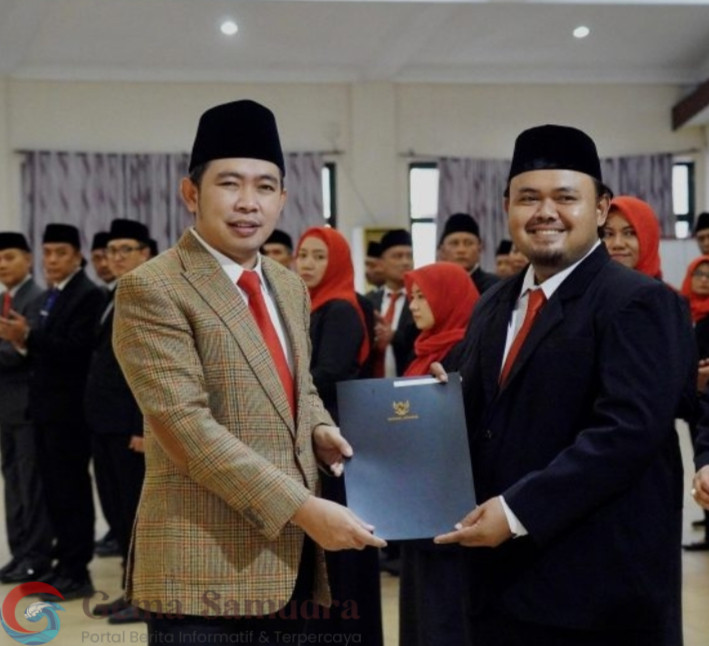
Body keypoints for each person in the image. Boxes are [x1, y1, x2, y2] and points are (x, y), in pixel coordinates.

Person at [111, 99, 385, 646]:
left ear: (282, 198)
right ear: (191, 193)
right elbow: (186, 428)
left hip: (290, 564)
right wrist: (302, 508)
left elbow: (299, 385)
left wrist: (317, 426)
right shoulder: (153, 287)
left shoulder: (287, 285)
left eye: (265, 186)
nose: (247, 203)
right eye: (229, 183)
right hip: (202, 565)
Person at [434, 124, 694, 645]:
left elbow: (626, 433)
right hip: (499, 585)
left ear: (600, 209)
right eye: (528, 197)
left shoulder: (638, 301)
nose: (545, 212)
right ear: (507, 208)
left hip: (598, 595)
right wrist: (438, 403)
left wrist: (516, 511)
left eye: (565, 197)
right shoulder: (494, 302)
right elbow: (488, 412)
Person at [0, 223, 105, 600]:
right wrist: (27, 341)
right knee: (55, 493)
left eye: (61, 253)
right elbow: (42, 350)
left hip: (70, 413)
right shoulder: (55, 295)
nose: (52, 260)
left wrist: (27, 337)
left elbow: (77, 350)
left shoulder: (87, 295)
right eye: (48, 253)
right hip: (45, 411)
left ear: (78, 256)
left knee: (72, 492)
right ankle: (63, 565)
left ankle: (77, 570)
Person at [295, 226, 382, 645]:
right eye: (303, 255)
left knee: (343, 553)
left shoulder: (341, 308)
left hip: (338, 440)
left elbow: (329, 373)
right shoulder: (306, 305)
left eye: (319, 256)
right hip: (317, 434)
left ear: (339, 263)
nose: (307, 264)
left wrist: (279, 388)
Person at [398, 261, 479, 646]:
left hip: (449, 503)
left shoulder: (466, 350)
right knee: (420, 604)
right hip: (417, 499)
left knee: (444, 609)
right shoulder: (423, 351)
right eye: (411, 297)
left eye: (422, 296)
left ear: (448, 299)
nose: (413, 305)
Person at [85, 219, 152, 624]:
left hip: (132, 428)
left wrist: (144, 426)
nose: (117, 257)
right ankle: (131, 588)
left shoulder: (148, 294)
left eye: (126, 249)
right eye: (112, 251)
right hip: (104, 423)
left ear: (146, 253)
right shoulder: (113, 293)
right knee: (117, 513)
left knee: (136, 514)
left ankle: (148, 596)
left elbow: (149, 368)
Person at [0, 232, 53, 585]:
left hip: (30, 408)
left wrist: (16, 345)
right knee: (13, 484)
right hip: (6, 409)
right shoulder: (4, 300)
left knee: (31, 485)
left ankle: (36, 555)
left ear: (28, 259)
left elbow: (26, 351)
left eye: (9, 257)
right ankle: (19, 552)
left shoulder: (38, 298)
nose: (2, 265)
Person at [367, 228, 418, 378]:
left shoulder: (420, 300)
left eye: (409, 256)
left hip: (409, 380)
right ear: (381, 263)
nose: (405, 262)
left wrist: (394, 337)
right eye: (397, 256)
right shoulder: (368, 301)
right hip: (371, 384)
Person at [601, 195, 662, 279]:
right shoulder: (586, 286)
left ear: (649, 241)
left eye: (629, 233)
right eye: (608, 234)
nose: (618, 244)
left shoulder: (659, 288)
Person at [438, 212, 499, 293]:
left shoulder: (495, 286)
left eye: (469, 243)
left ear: (480, 248)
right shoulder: (433, 285)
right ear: (442, 250)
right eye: (454, 243)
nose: (461, 250)